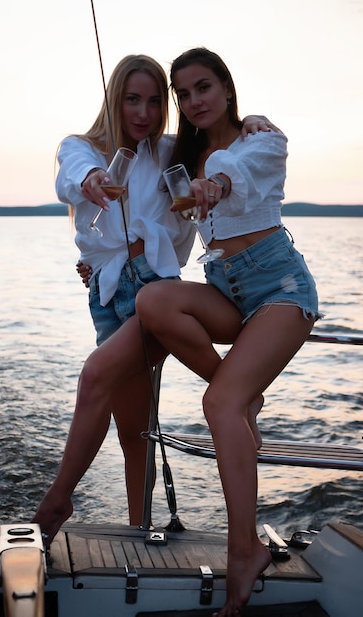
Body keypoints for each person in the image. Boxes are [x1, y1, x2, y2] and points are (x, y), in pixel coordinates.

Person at [32, 52, 280, 542]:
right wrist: (92, 181)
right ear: (115, 100)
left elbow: (219, 141)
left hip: (154, 288)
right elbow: (72, 174)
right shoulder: (82, 148)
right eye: (132, 100)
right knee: (133, 431)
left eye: (152, 101)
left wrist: (249, 119)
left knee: (95, 375)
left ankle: (56, 501)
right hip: (107, 295)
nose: (143, 113)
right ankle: (138, 532)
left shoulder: (171, 153)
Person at [135, 47, 322, 617]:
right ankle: (244, 397)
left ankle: (243, 550)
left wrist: (214, 179)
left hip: (280, 291)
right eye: (183, 94)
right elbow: (143, 181)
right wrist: (103, 254)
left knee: (217, 403)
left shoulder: (264, 141)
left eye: (203, 88)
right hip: (226, 291)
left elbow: (235, 171)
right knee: (153, 300)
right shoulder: (186, 155)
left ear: (226, 88)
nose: (193, 102)